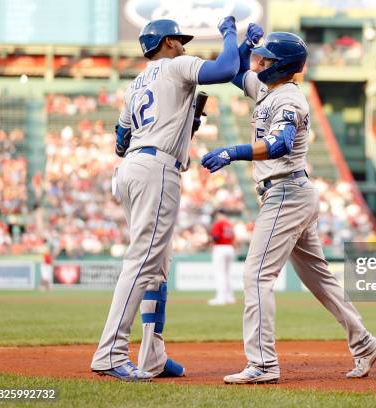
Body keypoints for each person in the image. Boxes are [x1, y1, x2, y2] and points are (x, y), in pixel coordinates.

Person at [201, 30, 376, 384]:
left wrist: (232, 151)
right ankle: (364, 342)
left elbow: (280, 144)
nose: (260, 62)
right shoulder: (269, 89)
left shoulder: (289, 99)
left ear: (282, 65)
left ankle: (263, 364)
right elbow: (238, 72)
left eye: (267, 58)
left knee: (256, 277)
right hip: (290, 192)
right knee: (321, 280)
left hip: (286, 191)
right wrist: (236, 39)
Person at [90, 17, 247, 382]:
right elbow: (226, 68)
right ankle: (110, 353)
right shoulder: (177, 65)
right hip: (156, 170)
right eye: (179, 38)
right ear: (167, 42)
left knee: (157, 265)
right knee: (144, 260)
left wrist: (178, 122)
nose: (183, 44)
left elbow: (120, 142)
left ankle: (152, 355)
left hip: (133, 168)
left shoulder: (136, 83)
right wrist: (228, 34)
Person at [208, 210, 236, 305]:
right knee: (227, 274)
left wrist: (209, 240)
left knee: (220, 273)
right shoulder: (229, 224)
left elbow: (215, 237)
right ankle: (229, 297)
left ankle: (221, 298)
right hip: (230, 247)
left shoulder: (219, 223)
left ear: (219, 215)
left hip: (220, 248)